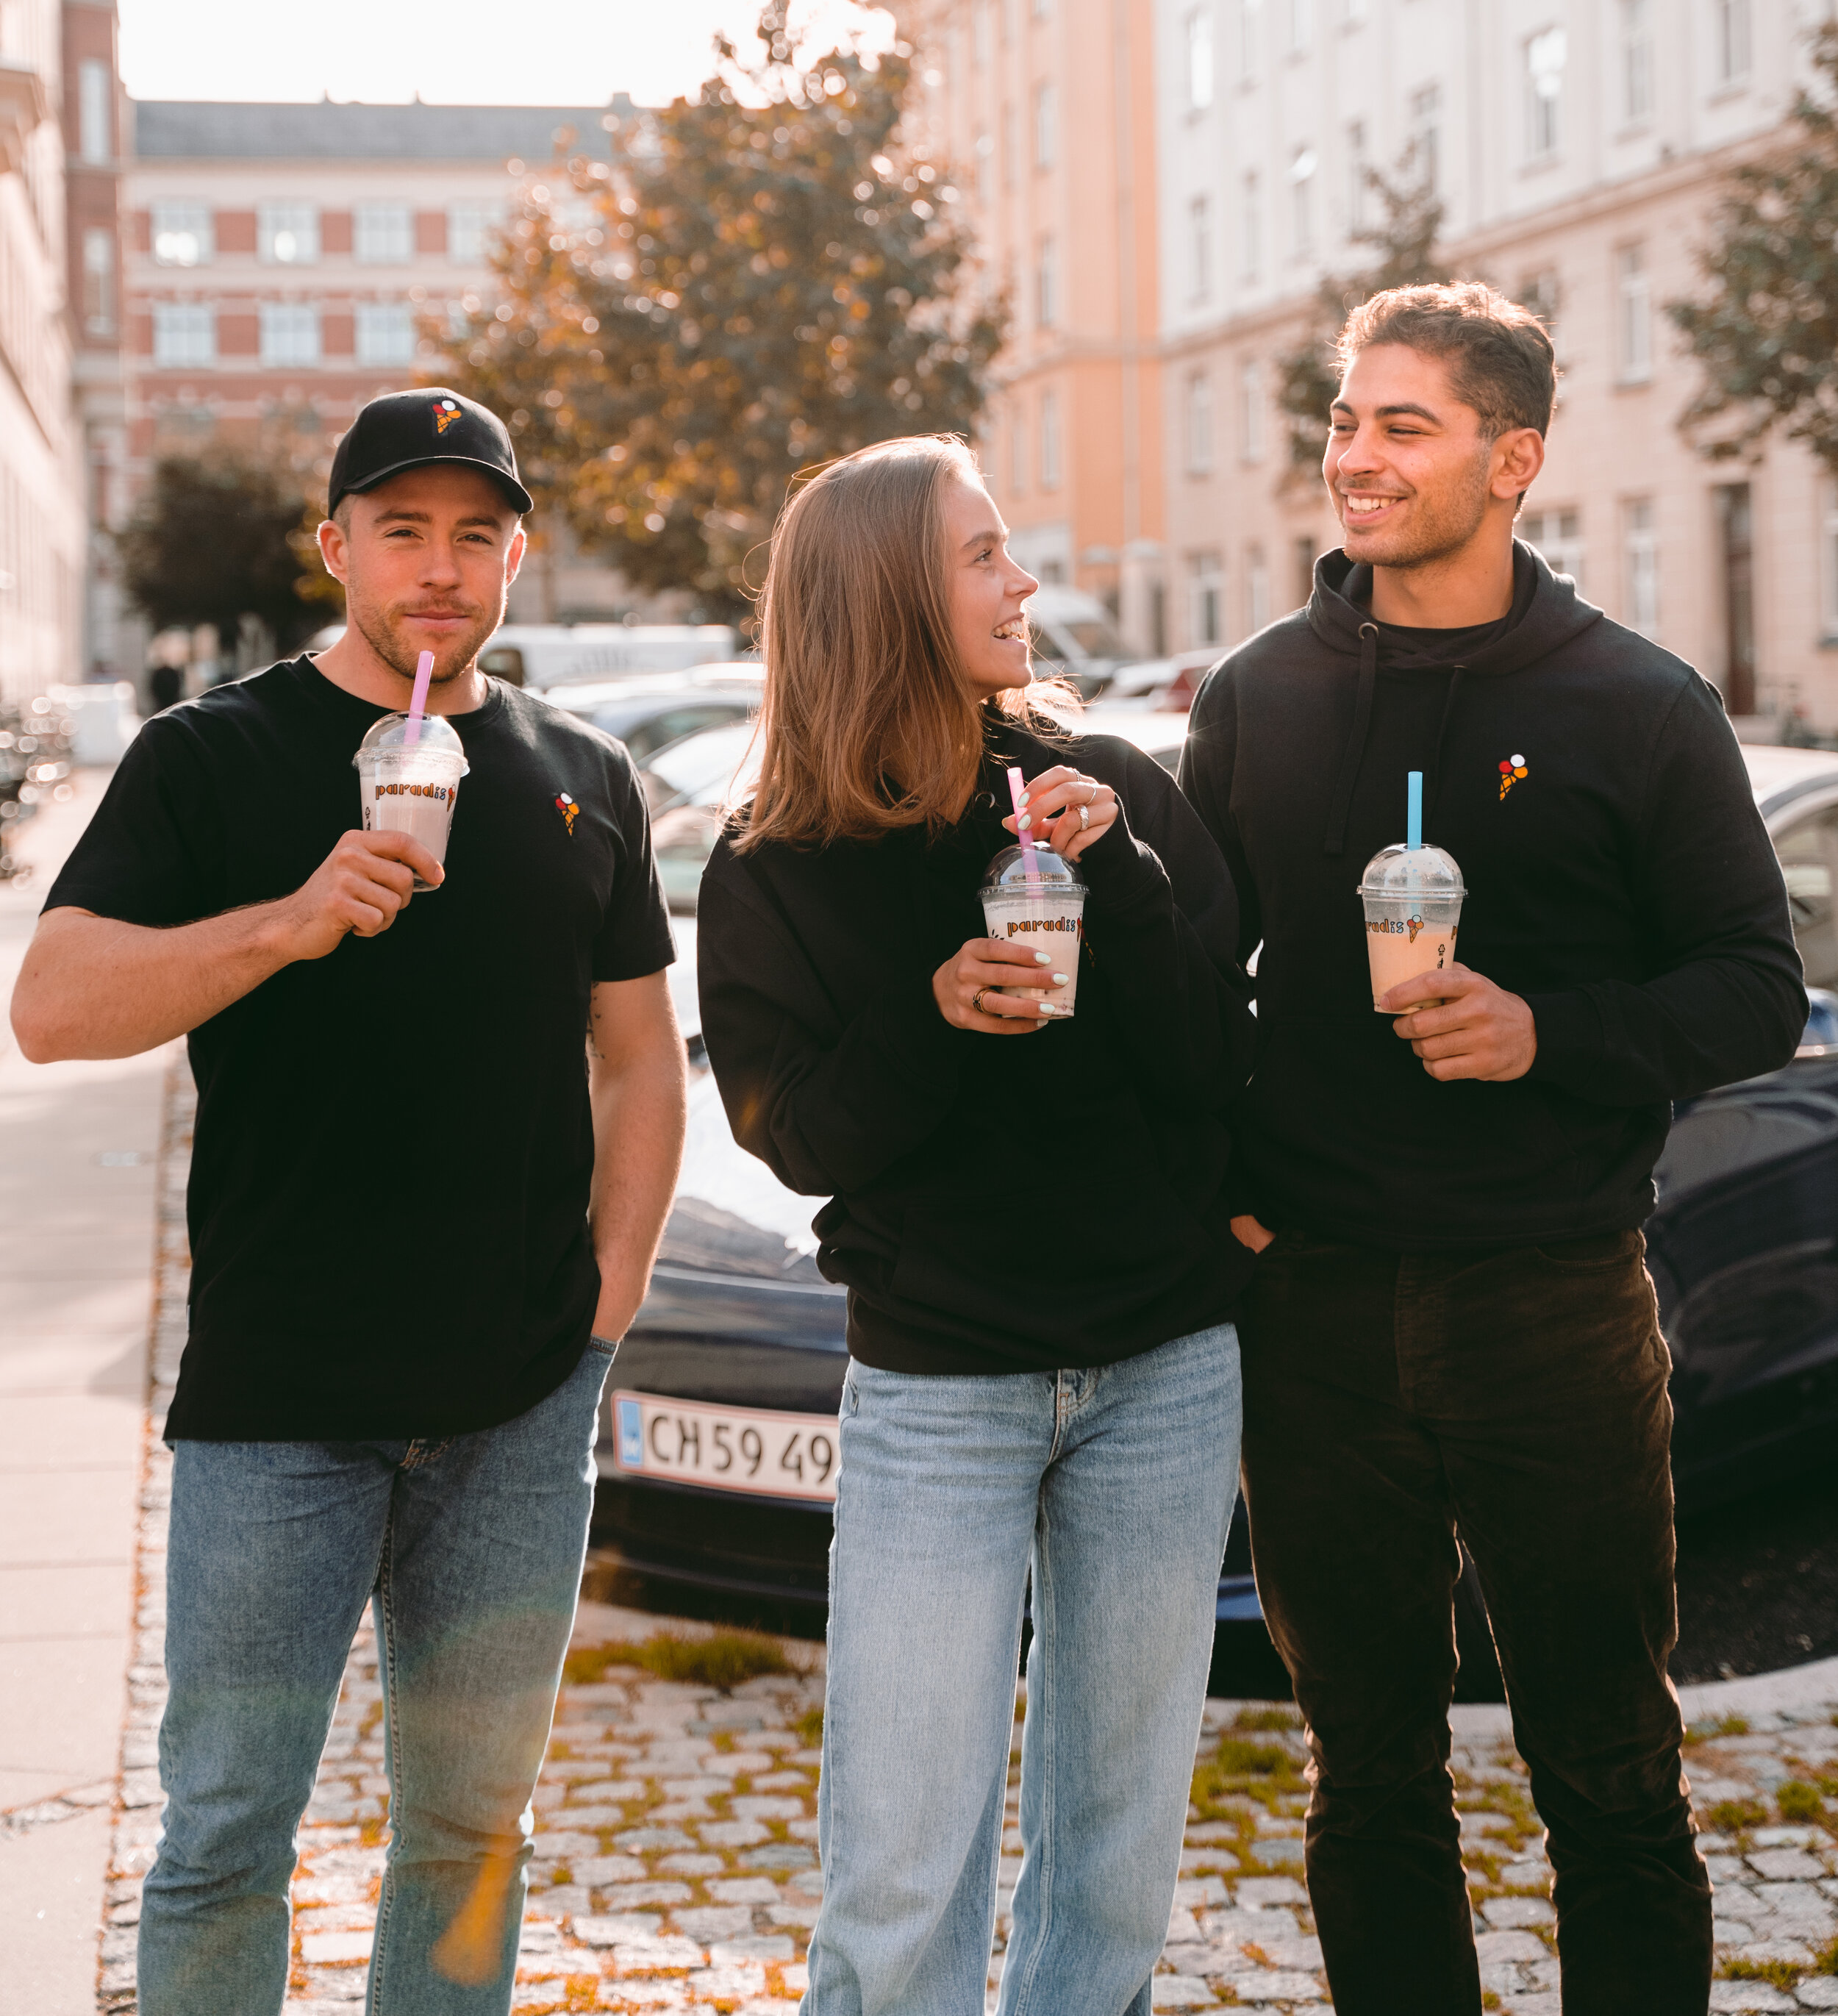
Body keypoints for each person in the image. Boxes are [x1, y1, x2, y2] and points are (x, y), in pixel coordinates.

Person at [10, 389, 687, 2016]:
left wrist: (602, 1311)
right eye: (403, 529)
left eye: (476, 532)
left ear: (518, 551)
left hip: (517, 1399)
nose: (440, 567)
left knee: (470, 1829)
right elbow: (53, 1006)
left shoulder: (579, 771)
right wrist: (287, 921)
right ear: (336, 548)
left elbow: (641, 1066)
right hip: (278, 1399)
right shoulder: (210, 756)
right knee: (228, 1831)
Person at [1179, 283, 1806, 2016]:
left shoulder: (1638, 704)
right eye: (1344, 422)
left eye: (1403, 425)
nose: (1354, 457)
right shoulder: (1256, 698)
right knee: (1362, 1774)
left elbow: (1754, 985)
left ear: (1510, 458)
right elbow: (1184, 985)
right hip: (1309, 1319)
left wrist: (1550, 1036)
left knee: (1606, 1766)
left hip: (1552, 1304)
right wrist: (1229, 1198)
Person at [696, 434, 1258, 2016]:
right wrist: (936, 1008)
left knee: (1113, 1846)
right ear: (883, 596)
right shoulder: (771, 866)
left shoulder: (1107, 796)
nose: (1024, 584)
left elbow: (1214, 1065)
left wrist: (1126, 875)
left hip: (1159, 1369)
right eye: (986, 555)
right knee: (896, 1860)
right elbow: (795, 1138)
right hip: (939, 1387)